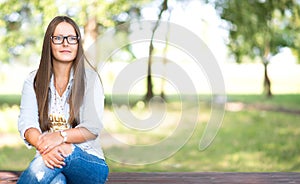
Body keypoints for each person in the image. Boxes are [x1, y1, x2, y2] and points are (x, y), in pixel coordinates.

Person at [17, 16, 109, 184]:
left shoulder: (91, 80)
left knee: (64, 149)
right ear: (49, 43)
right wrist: (44, 145)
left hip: (89, 166)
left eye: (72, 38)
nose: (66, 43)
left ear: (78, 43)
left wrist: (60, 137)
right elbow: (27, 124)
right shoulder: (33, 81)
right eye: (58, 38)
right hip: (48, 160)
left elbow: (92, 128)